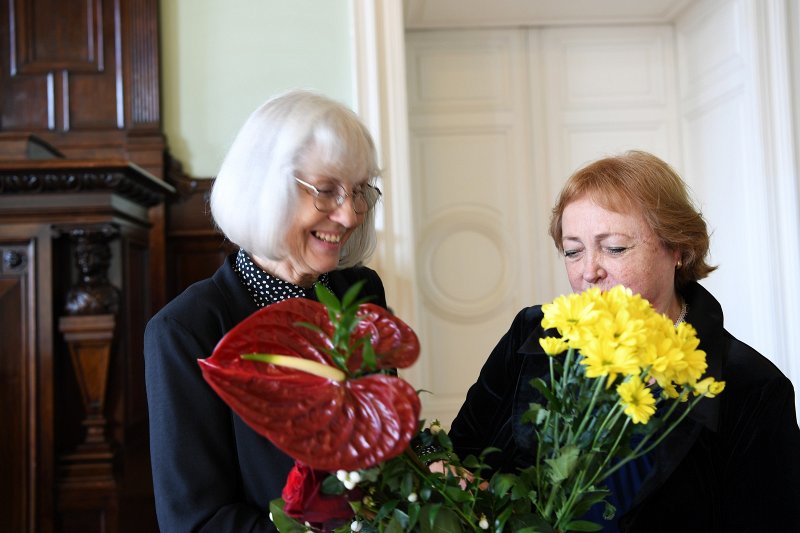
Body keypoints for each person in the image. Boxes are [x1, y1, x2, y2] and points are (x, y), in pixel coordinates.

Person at [449, 150, 800, 531]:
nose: (588, 272)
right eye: (572, 251)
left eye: (614, 247)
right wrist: (444, 472)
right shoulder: (532, 332)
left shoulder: (754, 387)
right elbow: (453, 452)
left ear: (678, 249)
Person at [144, 90, 386, 532]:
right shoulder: (186, 331)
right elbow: (196, 522)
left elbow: (384, 439)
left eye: (360, 191)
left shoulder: (361, 291)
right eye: (328, 191)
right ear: (266, 188)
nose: (351, 215)